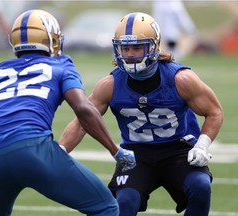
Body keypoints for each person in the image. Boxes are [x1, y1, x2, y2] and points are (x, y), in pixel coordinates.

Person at [0, 9, 136, 216]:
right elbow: (83, 109)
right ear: (52, 40)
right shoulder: (60, 65)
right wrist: (115, 150)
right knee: (107, 208)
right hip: (34, 150)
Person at [59, 12, 223, 216]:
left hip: (178, 149)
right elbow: (82, 122)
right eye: (125, 47)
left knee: (200, 186)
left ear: (154, 46)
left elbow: (214, 112)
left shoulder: (181, 79)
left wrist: (202, 145)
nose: (129, 54)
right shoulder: (110, 85)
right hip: (136, 155)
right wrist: (60, 151)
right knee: (125, 201)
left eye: (137, 47)